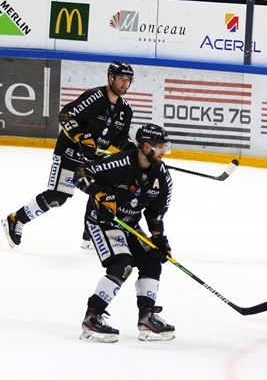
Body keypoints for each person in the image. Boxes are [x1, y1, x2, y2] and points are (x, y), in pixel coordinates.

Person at [2, 61, 136, 250]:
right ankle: (16, 219)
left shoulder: (125, 110)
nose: (124, 83)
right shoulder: (95, 97)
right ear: (110, 78)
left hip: (93, 159)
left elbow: (121, 138)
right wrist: (83, 136)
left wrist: (135, 153)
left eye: (128, 79)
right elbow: (66, 115)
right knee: (58, 196)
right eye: (121, 78)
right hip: (69, 153)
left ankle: (90, 233)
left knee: (104, 191)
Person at [74, 123, 175, 343]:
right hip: (101, 221)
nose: (164, 152)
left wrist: (159, 239)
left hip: (129, 222)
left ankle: (147, 317)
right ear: (146, 146)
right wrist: (99, 194)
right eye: (160, 147)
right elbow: (81, 172)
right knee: (123, 263)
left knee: (151, 260)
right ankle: (93, 317)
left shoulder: (162, 176)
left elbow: (156, 212)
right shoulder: (120, 162)